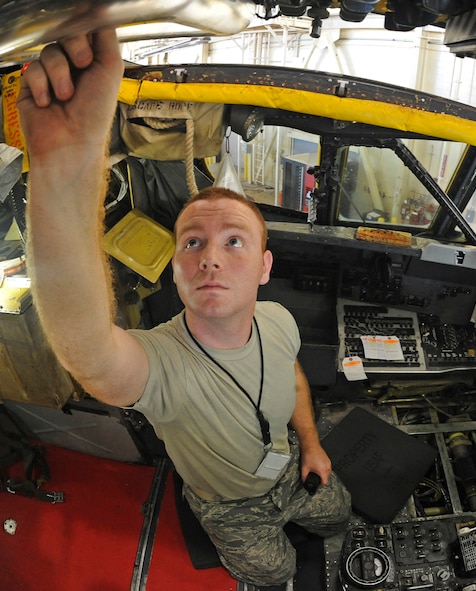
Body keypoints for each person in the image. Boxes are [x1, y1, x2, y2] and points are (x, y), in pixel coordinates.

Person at [17, 29, 351, 590]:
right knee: (275, 574)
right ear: (175, 268)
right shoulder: (162, 364)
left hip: (292, 465)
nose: (211, 259)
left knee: (340, 513)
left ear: (265, 269)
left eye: (234, 242)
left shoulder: (279, 320)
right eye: (192, 242)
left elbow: (291, 374)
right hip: (228, 504)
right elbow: (90, 353)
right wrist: (63, 175)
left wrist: (312, 446)